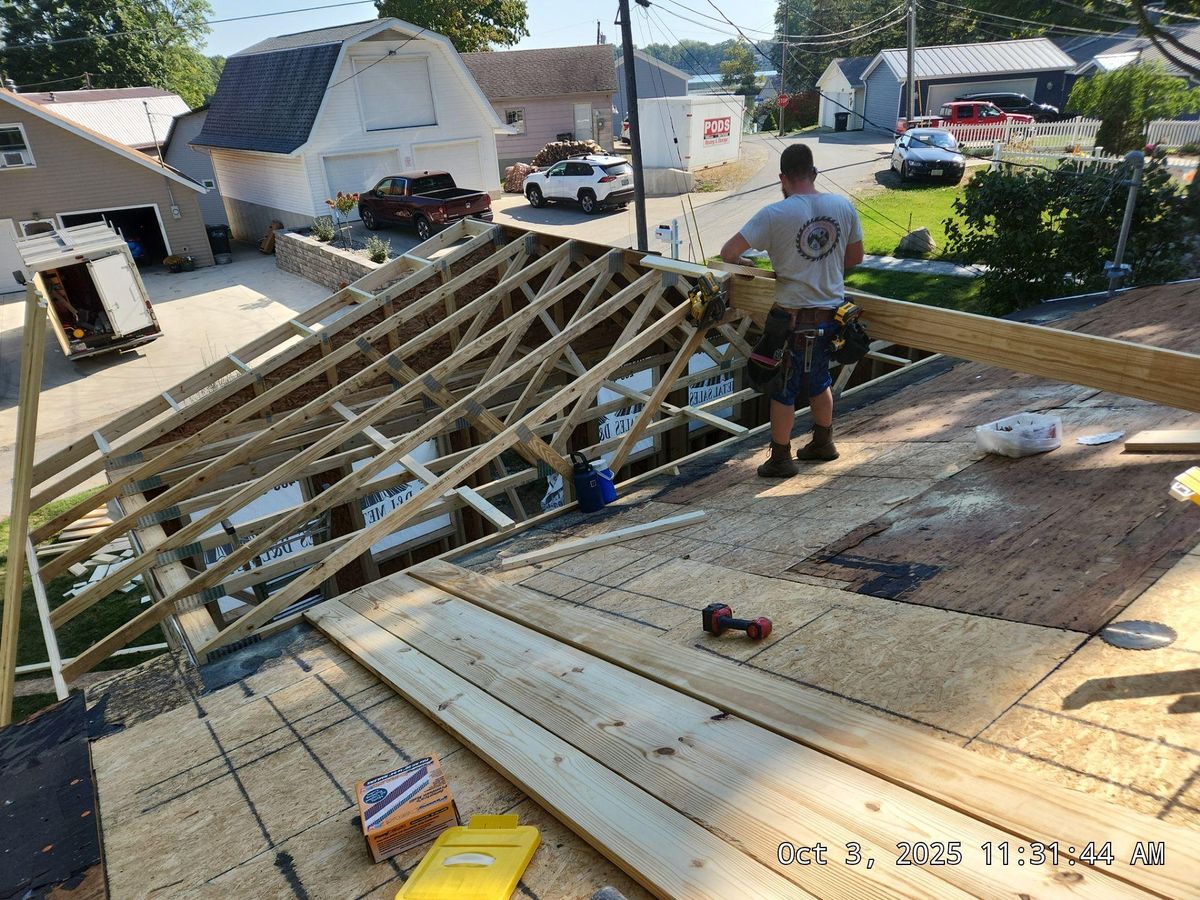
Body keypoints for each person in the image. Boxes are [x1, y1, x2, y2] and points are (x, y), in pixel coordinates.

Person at [720, 143, 864, 478]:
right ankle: (823, 443)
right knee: (819, 380)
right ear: (814, 173)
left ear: (782, 178)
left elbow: (728, 252)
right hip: (832, 318)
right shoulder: (842, 206)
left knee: (782, 387)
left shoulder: (774, 214)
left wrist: (752, 263)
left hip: (793, 321)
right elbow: (855, 258)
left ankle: (782, 458)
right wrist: (822, 265)